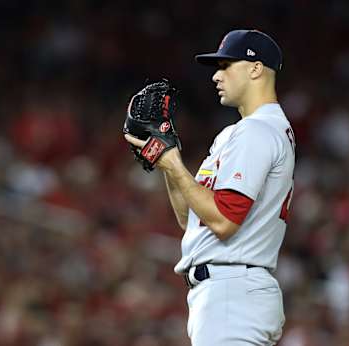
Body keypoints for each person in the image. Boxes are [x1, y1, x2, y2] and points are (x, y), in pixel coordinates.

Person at [125, 29, 296, 345]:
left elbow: (223, 221)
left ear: (256, 68)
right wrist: (168, 161)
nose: (217, 76)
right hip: (229, 294)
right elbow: (192, 219)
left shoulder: (257, 132)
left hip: (233, 294)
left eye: (226, 65)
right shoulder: (242, 133)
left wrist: (175, 164)